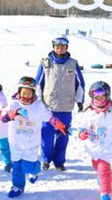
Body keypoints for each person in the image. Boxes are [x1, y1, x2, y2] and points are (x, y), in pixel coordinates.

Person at [0, 76, 67, 198]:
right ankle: (18, 186)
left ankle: (35, 169)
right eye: (24, 92)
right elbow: (3, 118)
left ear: (34, 93)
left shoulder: (38, 106)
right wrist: (9, 116)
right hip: (16, 143)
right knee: (17, 166)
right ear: (19, 92)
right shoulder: (14, 104)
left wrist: (58, 123)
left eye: (29, 93)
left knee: (27, 166)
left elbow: (49, 117)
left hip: (31, 143)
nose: (26, 96)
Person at [35, 36, 85, 171]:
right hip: (48, 107)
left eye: (63, 46)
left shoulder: (72, 63)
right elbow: (38, 84)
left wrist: (80, 100)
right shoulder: (45, 63)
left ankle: (59, 162)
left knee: (63, 136)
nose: (60, 49)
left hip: (66, 106)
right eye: (57, 46)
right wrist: (38, 102)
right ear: (53, 47)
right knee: (46, 136)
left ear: (66, 48)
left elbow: (80, 83)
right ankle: (45, 159)